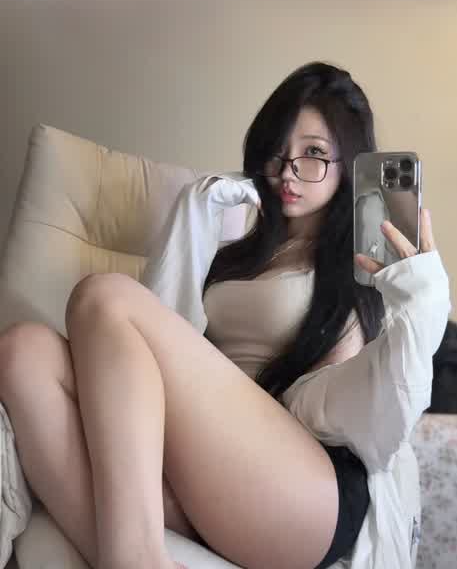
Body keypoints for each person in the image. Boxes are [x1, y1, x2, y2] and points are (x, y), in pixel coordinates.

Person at [0, 62, 450, 569]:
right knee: (23, 351)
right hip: (209, 477)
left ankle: (132, 558)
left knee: (105, 297)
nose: (289, 170)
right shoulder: (239, 252)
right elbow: (157, 341)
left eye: (314, 154)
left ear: (349, 165)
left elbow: (380, 403)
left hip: (304, 488)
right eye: (279, 150)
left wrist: (417, 292)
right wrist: (198, 206)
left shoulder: (359, 273)